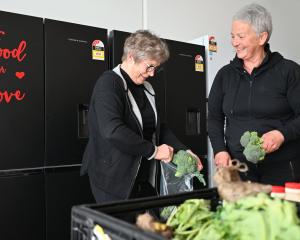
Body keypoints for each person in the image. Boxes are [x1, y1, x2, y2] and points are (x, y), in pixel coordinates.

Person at [81, 30, 203, 203]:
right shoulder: (109, 83)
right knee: (121, 228)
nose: (152, 73)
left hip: (142, 176)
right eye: (150, 66)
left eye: (156, 67)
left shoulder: (147, 88)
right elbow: (113, 130)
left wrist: (184, 150)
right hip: (113, 179)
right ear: (131, 57)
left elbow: (159, 128)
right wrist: (154, 151)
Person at [208, 3, 300, 186]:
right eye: (233, 36)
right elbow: (214, 119)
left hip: (283, 170)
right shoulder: (224, 75)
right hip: (239, 171)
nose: (234, 42)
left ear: (262, 37)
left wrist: (282, 134)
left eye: (241, 36)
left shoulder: (289, 71)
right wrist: (219, 150)